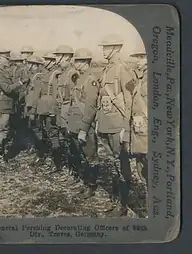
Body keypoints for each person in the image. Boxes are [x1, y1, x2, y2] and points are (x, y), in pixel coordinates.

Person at [78, 34, 136, 216]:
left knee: (121, 164)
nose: (103, 50)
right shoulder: (106, 70)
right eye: (103, 47)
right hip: (106, 125)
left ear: (116, 48)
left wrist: (126, 129)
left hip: (117, 126)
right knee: (113, 164)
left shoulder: (122, 69)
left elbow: (130, 101)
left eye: (106, 47)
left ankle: (123, 206)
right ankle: (117, 200)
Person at [66, 48, 99, 198]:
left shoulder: (90, 79)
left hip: (85, 125)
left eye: (79, 60)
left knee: (90, 156)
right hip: (75, 123)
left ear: (86, 62)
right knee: (80, 154)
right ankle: (84, 181)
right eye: (76, 60)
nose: (76, 63)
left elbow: (91, 107)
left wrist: (84, 129)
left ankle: (91, 186)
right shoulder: (79, 78)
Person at [0, 48, 24, 161]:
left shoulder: (3, 71)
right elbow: (7, 88)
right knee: (2, 129)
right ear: (0, 59)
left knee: (4, 128)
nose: (8, 61)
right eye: (6, 59)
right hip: (2, 102)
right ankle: (1, 154)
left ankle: (1, 152)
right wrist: (20, 83)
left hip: (5, 102)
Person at [30, 49, 62, 168]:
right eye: (46, 60)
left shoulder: (56, 75)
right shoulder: (44, 74)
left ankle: (57, 163)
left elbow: (56, 94)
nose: (45, 62)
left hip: (50, 110)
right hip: (42, 108)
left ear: (53, 62)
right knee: (43, 132)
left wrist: (53, 111)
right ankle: (42, 156)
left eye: (49, 60)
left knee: (53, 133)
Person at [129, 45, 148, 187]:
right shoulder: (138, 76)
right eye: (137, 57)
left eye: (142, 57)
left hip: (148, 125)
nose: (138, 61)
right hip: (139, 125)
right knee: (140, 158)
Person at [23, 54, 47, 154]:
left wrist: (33, 111)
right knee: (31, 127)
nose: (29, 66)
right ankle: (35, 147)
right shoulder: (32, 76)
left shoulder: (38, 77)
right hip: (29, 105)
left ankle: (41, 150)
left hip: (35, 107)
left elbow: (36, 95)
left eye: (31, 64)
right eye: (28, 64)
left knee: (37, 128)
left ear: (36, 66)